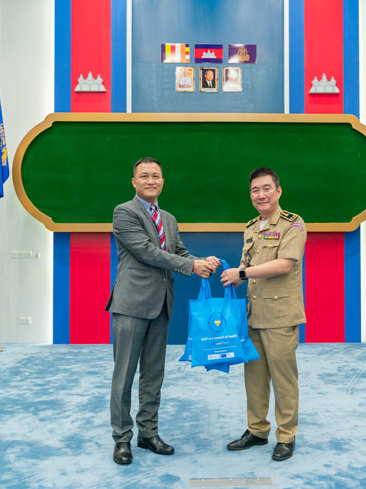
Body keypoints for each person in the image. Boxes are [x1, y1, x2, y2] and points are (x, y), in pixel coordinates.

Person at [106, 157, 219, 465]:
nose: (151, 180)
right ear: (134, 182)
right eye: (144, 176)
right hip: (131, 305)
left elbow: (178, 251)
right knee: (124, 375)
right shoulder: (124, 212)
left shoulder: (168, 218)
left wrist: (201, 262)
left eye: (156, 176)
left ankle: (148, 433)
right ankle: (122, 438)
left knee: (153, 374)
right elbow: (147, 252)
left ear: (163, 181)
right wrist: (190, 266)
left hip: (161, 305)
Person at [221, 167, 307, 462]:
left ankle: (286, 436)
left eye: (266, 188)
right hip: (253, 316)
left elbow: (284, 264)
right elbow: (246, 267)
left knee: (284, 380)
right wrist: (229, 273)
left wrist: (242, 273)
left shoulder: (293, 224)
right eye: (255, 190)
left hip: (280, 317)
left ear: (278, 191)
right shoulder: (251, 227)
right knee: (254, 379)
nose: (261, 195)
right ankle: (257, 430)